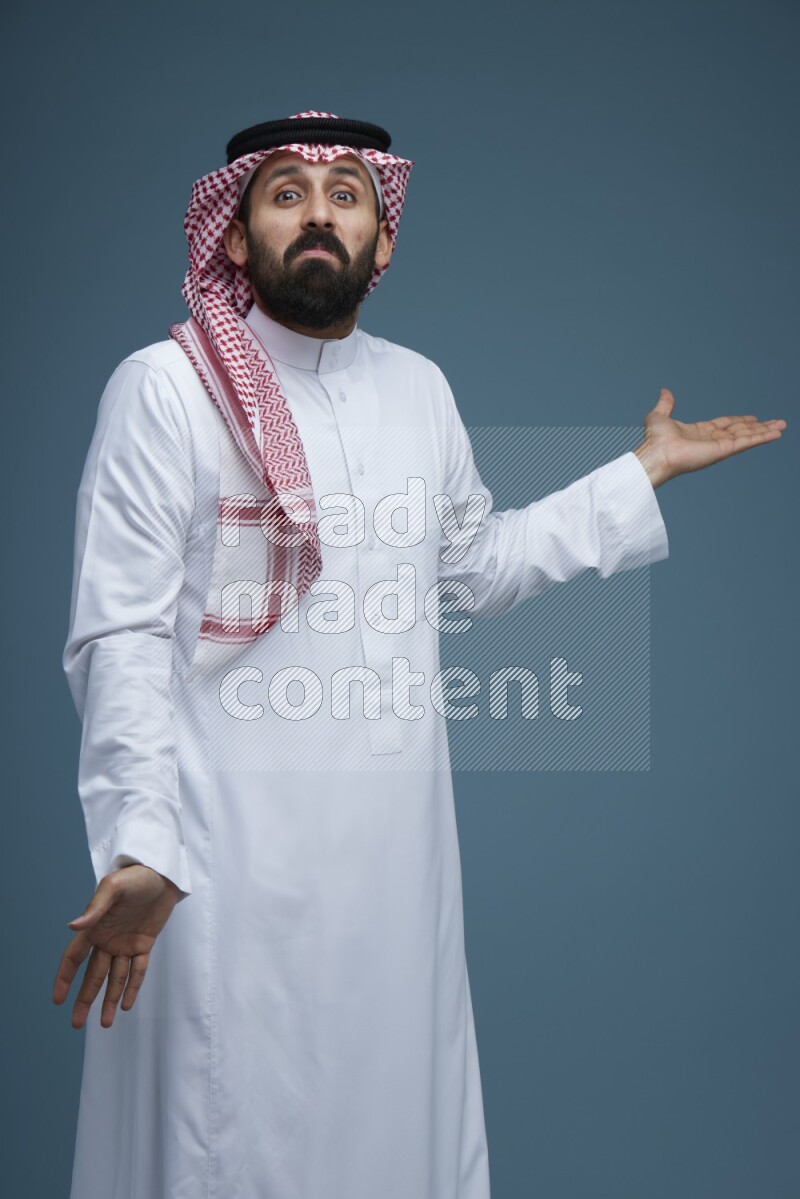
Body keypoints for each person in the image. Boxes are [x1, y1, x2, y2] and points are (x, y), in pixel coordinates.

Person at [53, 110, 786, 1199]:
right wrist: (136, 841)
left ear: (381, 240)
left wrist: (635, 476)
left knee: (392, 1140)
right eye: (286, 191)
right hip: (215, 870)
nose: (317, 213)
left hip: (395, 881)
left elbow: (475, 566)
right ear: (239, 236)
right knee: (222, 1142)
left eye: (344, 193)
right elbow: (116, 632)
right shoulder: (165, 390)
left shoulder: (418, 389)